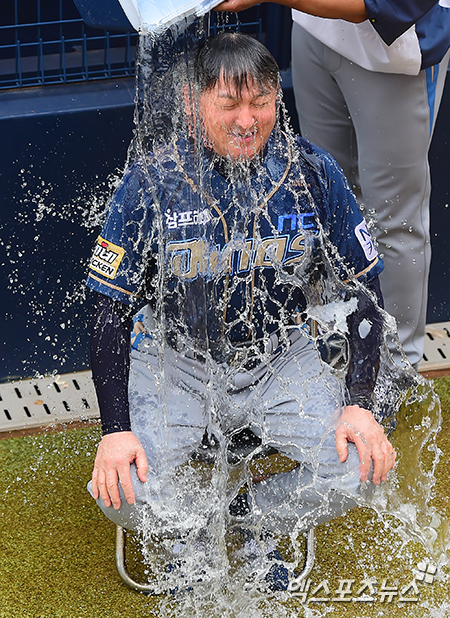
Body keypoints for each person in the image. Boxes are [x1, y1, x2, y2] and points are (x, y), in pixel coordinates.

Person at [85, 32, 395, 590]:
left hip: (282, 358)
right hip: (176, 362)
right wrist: (114, 431)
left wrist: (360, 405)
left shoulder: (311, 173)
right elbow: (108, 309)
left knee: (363, 471)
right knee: (118, 490)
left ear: (279, 99)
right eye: (228, 104)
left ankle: (253, 516)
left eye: (260, 102)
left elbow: (364, 289)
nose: (246, 120)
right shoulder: (153, 179)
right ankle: (190, 528)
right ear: (191, 102)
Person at [216, 0, 450, 369]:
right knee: (323, 209)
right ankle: (335, 363)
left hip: (396, 46)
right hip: (314, 26)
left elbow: (380, 4)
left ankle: (395, 373)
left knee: (394, 220)